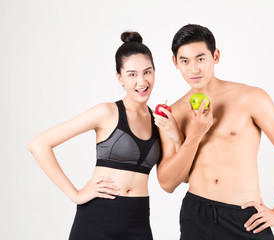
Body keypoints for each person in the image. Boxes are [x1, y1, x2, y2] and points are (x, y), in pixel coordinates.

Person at [153, 24, 274, 240]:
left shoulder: (249, 97)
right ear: (175, 63)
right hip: (196, 215)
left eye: (200, 58)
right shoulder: (174, 114)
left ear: (215, 56)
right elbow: (167, 183)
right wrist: (194, 135)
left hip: (244, 218)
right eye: (185, 61)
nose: (194, 69)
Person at [27, 31, 180, 240]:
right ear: (120, 78)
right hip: (98, 218)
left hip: (139, 220)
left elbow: (174, 175)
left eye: (148, 72)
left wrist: (176, 136)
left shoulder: (160, 122)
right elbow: (39, 144)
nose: (142, 81)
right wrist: (75, 194)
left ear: (155, 72)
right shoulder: (107, 113)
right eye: (132, 74)